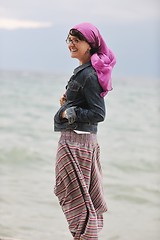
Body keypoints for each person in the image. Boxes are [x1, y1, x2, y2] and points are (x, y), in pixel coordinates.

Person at [54, 22, 116, 240]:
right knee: (77, 199)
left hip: (77, 143)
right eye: (69, 40)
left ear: (90, 45)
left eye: (76, 40)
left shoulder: (88, 75)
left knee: (76, 200)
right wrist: (68, 103)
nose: (71, 44)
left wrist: (68, 112)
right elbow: (86, 105)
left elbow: (98, 113)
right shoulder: (84, 72)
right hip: (79, 141)